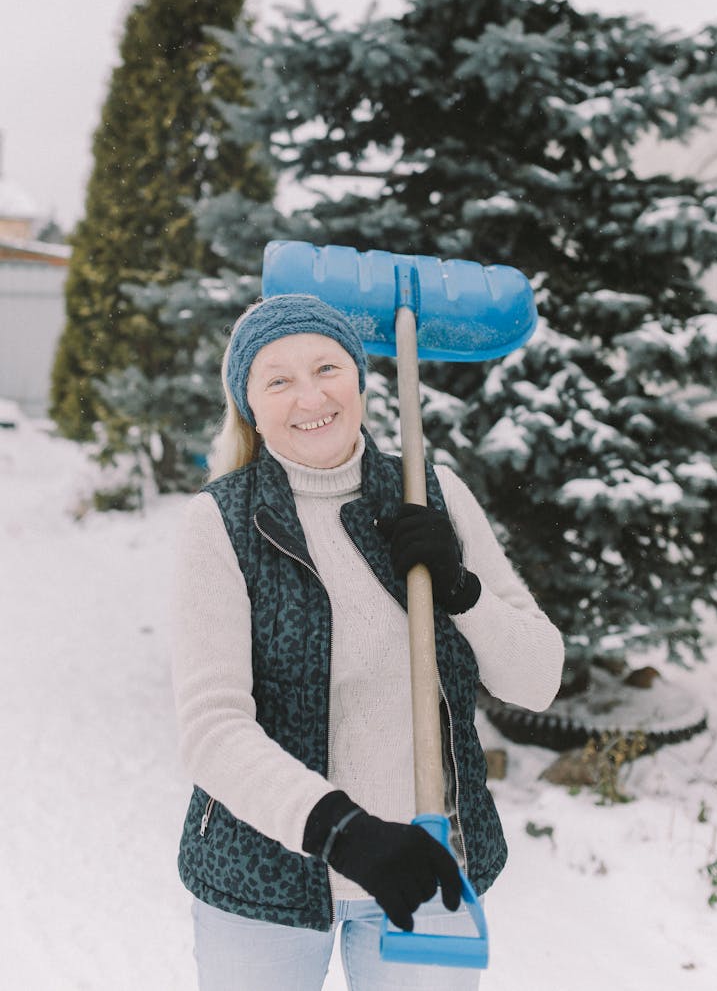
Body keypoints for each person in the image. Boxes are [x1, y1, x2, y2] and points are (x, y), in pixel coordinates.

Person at [171, 293, 564, 991]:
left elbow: (537, 679)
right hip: (265, 880)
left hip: (426, 863)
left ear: (358, 379)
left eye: (326, 367)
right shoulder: (222, 521)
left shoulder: (432, 492)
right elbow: (212, 728)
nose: (311, 395)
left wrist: (462, 589)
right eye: (278, 379)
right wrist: (343, 831)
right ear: (251, 408)